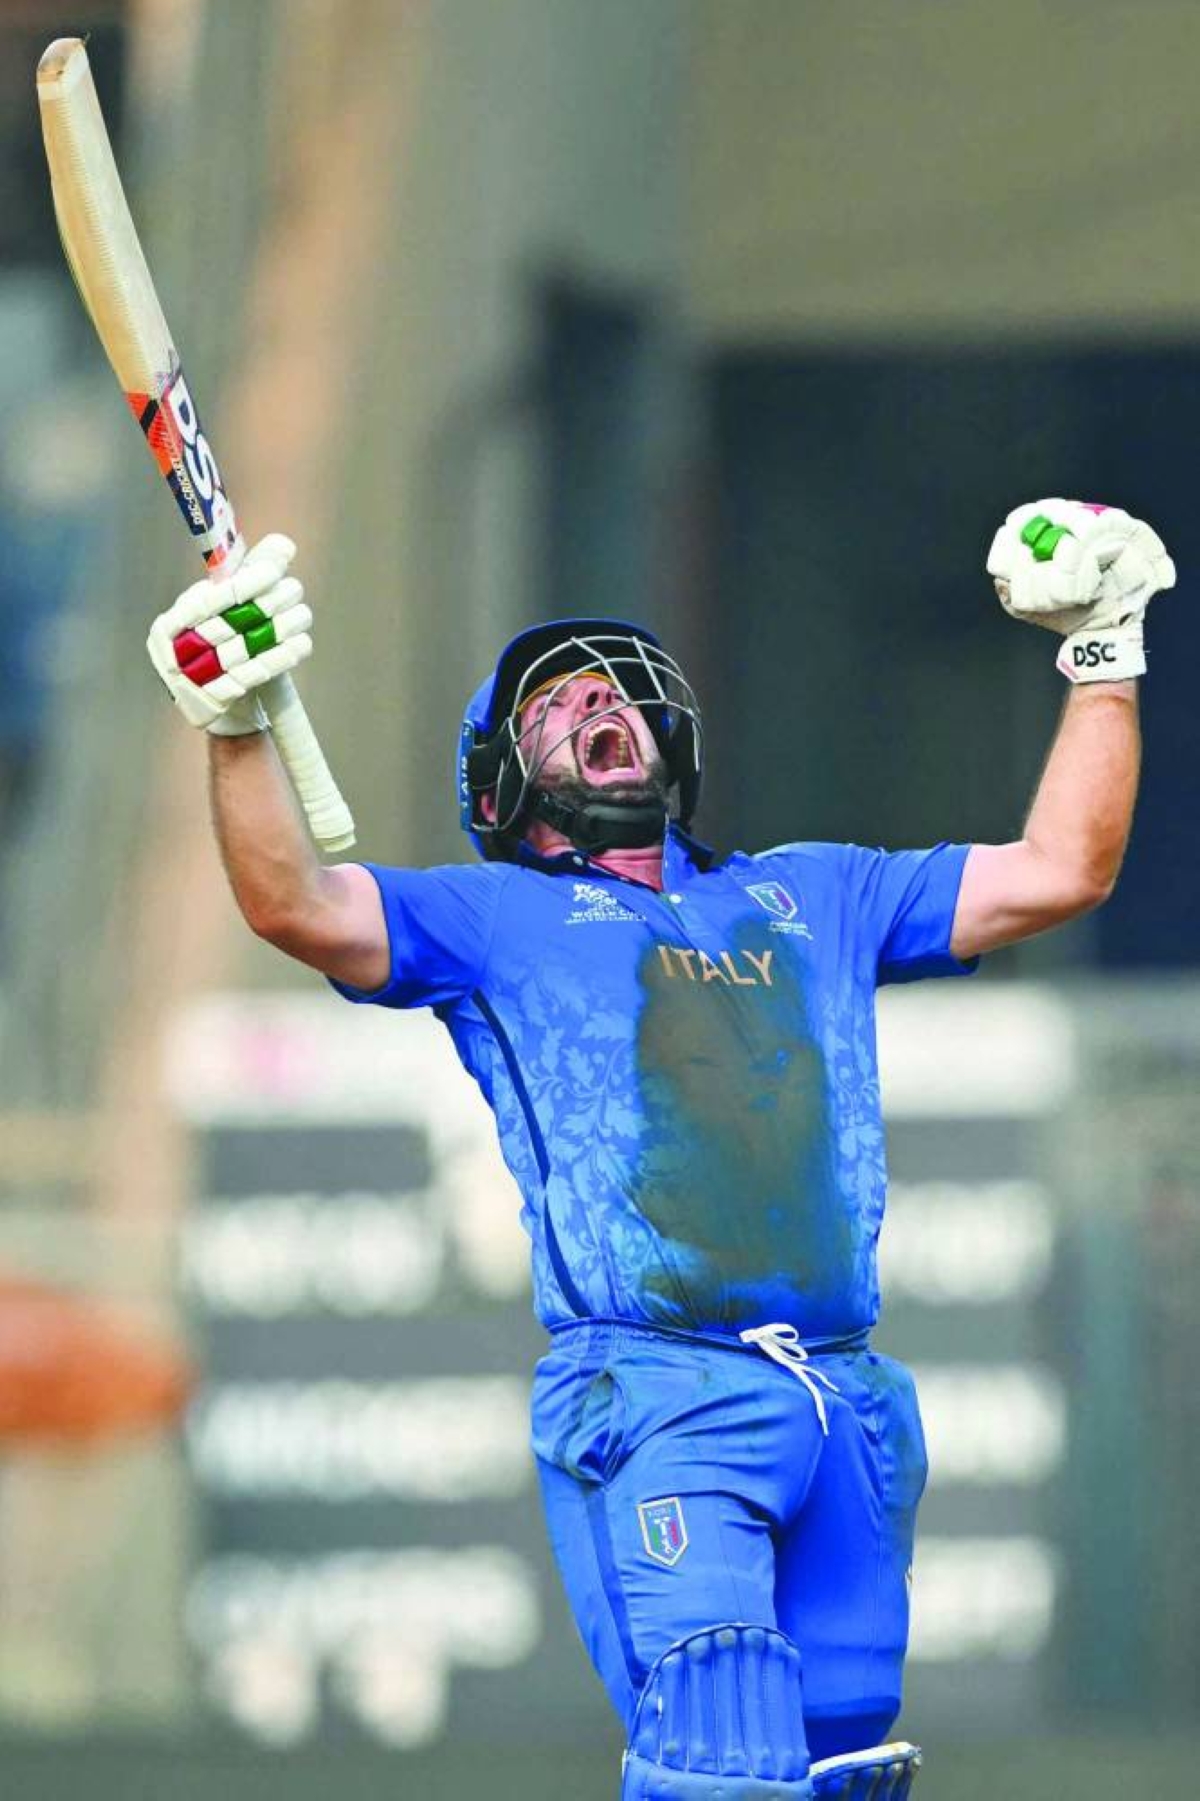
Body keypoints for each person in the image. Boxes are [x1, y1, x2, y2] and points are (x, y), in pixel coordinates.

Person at [148, 497, 1174, 1799]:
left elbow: (1061, 870)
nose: (601, 711)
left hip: (844, 1397)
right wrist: (237, 730)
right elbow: (295, 901)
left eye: (617, 694)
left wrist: (1106, 650)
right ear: (501, 786)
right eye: (558, 709)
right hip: (657, 1388)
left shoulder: (820, 889)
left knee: (848, 1761)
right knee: (718, 1755)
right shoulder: (493, 916)